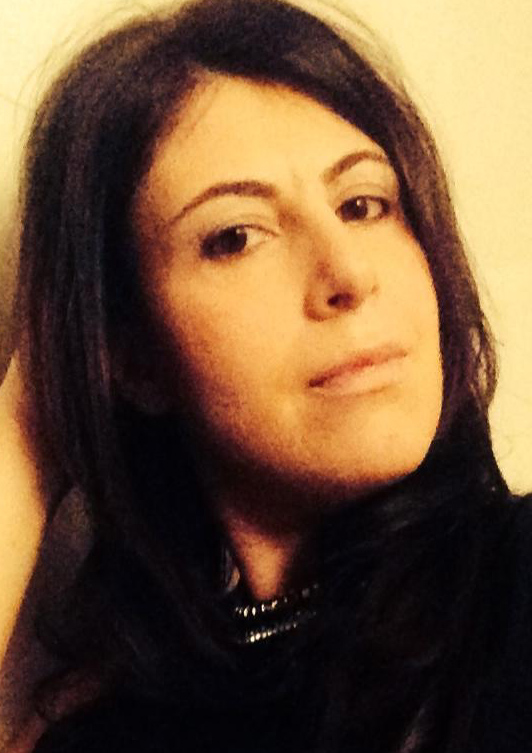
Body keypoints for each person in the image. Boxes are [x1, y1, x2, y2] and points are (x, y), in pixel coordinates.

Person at [0, 0, 530, 750]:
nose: (349, 273)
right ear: (133, 354)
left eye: (364, 204)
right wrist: (24, 426)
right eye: (236, 237)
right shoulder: (106, 725)